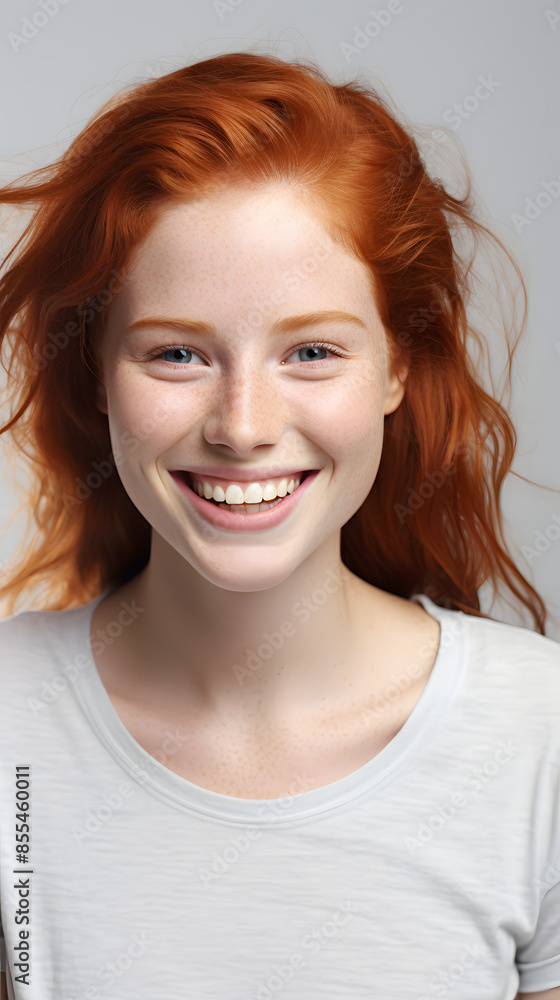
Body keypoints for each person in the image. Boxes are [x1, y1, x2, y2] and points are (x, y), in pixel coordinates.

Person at [0, 50, 558, 1000]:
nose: (243, 427)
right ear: (95, 371)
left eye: (311, 351)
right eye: (177, 354)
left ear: (398, 366)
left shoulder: (542, 734)